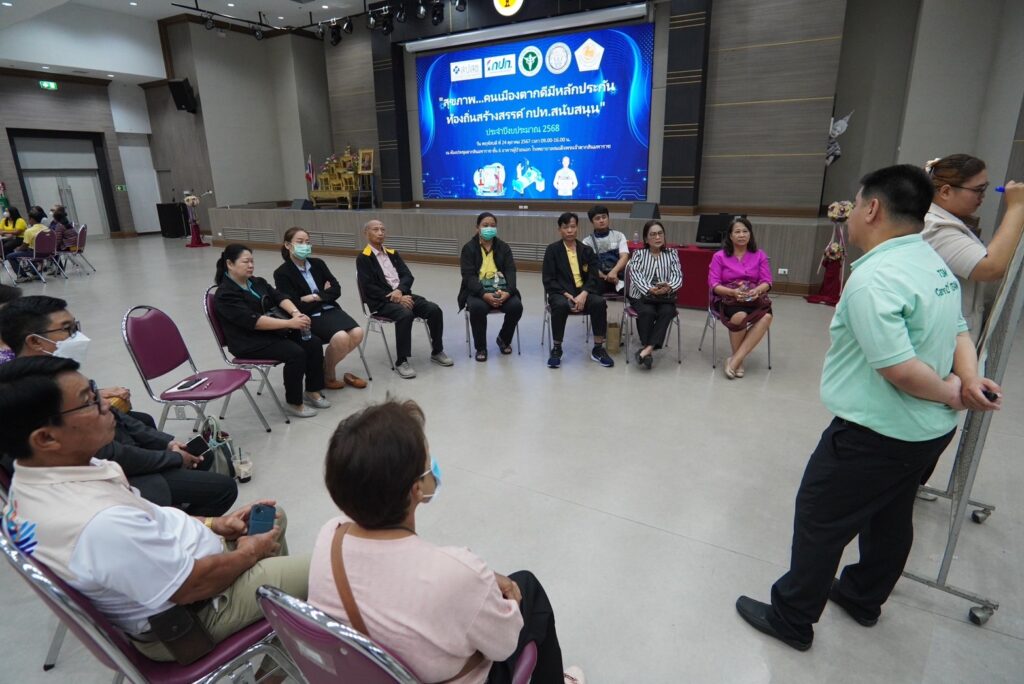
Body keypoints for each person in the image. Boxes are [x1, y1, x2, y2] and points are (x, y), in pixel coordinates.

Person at [735, 165, 1002, 651]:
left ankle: (792, 618)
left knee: (819, 519)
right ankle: (862, 596)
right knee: (890, 515)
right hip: (927, 432)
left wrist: (956, 391)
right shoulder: (929, 259)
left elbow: (899, 368)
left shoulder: (875, 278)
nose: (854, 212)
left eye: (857, 204)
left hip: (876, 433)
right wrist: (967, 379)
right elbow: (960, 329)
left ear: (873, 208)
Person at [0, 356, 308, 663]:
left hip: (187, 574)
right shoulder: (99, 522)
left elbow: (153, 516)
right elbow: (191, 586)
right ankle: (281, 632)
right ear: (46, 437)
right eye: (89, 401)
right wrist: (249, 552)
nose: (108, 405)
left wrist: (215, 524)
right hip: (195, 614)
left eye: (95, 391)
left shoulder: (37, 478)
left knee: (272, 518)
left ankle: (279, 646)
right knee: (328, 570)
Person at [308, 399, 585, 684]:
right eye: (427, 463)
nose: (432, 468)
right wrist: (493, 595)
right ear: (417, 489)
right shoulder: (460, 573)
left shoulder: (330, 537)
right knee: (528, 587)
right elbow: (505, 646)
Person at [0, 295, 238, 516]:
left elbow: (113, 413)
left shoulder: (58, 371)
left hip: (119, 456)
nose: (77, 337)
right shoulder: (30, 393)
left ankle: (177, 514)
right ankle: (171, 523)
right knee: (223, 488)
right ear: (34, 341)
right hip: (110, 474)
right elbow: (108, 453)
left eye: (76, 327)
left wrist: (166, 443)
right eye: (67, 329)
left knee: (195, 453)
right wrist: (172, 457)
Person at [213, 244, 328, 418]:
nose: (251, 265)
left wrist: (296, 314)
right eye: (246, 262)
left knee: (313, 342)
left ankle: (312, 390)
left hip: (271, 332)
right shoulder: (225, 294)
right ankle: (294, 402)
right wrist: (290, 323)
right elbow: (254, 322)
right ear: (230, 264)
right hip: (248, 341)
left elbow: (279, 297)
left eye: (252, 261)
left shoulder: (256, 282)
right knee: (295, 353)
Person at [920, 154, 1024, 342]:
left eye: (985, 188)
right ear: (945, 191)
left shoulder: (943, 219)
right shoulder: (934, 227)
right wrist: (1017, 207)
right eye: (978, 190)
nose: (983, 196)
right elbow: (990, 268)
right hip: (941, 339)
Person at [355, 219, 454, 379]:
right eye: (375, 229)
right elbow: (369, 287)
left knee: (434, 310)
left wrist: (400, 291)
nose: (380, 233)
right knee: (405, 314)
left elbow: (407, 275)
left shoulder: (393, 253)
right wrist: (394, 297)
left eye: (383, 229)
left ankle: (437, 351)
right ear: (366, 233)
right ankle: (401, 361)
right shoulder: (363, 258)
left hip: (403, 295)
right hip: (382, 302)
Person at [273, 227, 367, 390]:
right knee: (341, 338)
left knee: (357, 333)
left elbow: (336, 289)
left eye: (307, 242)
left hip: (330, 309)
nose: (305, 245)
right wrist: (324, 294)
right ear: (288, 245)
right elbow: (295, 303)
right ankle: (329, 374)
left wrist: (313, 296)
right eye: (300, 242)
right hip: (309, 315)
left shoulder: (318, 264)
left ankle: (323, 368)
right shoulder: (282, 273)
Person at [542, 212, 614, 369]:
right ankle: (557, 348)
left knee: (599, 302)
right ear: (559, 230)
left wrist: (583, 294)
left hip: (584, 292)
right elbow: (548, 279)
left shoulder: (586, 250)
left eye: (573, 226)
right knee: (560, 305)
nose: (569, 230)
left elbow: (594, 277)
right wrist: (567, 294)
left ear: (577, 228)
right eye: (565, 227)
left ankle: (598, 348)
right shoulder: (552, 250)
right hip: (561, 293)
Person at [708, 217, 773, 379]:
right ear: (730, 236)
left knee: (766, 317)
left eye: (745, 231)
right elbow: (714, 284)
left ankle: (735, 360)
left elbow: (767, 281)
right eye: (737, 232)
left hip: (754, 298)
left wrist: (757, 290)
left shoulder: (759, 255)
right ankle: (738, 361)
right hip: (728, 299)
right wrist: (733, 292)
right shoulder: (719, 256)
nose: (742, 235)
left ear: (750, 234)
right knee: (739, 316)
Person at [458, 212, 523, 361]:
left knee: (516, 307)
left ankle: (503, 339)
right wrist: (483, 294)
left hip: (502, 289)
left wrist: (508, 292)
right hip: (478, 291)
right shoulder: (468, 248)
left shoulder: (504, 247)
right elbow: (468, 276)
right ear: (477, 228)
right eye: (485, 225)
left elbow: (511, 271)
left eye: (492, 226)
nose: (489, 228)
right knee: (477, 308)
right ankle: (481, 347)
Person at [625, 220, 682, 369]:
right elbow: (635, 275)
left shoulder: (672, 254)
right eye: (653, 234)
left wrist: (668, 287)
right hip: (641, 295)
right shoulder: (639, 254)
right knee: (647, 312)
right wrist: (649, 289)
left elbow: (678, 276)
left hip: (665, 296)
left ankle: (647, 350)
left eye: (660, 233)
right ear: (646, 239)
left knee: (667, 311)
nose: (657, 237)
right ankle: (648, 350)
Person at [581, 205, 629, 295]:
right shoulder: (586, 242)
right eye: (597, 218)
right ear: (592, 222)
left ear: (608, 218)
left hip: (618, 275)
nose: (601, 220)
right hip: (599, 278)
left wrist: (614, 272)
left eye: (604, 217)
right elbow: (589, 265)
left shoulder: (619, 236)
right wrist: (606, 277)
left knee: (633, 292)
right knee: (592, 294)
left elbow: (624, 257)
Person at [7, 206, 51, 282]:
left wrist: (18, 249)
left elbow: (24, 246)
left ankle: (22, 276)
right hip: (48, 253)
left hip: (36, 254)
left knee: (10, 256)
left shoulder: (29, 231)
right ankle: (35, 273)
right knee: (29, 251)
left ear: (32, 219)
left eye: (29, 218)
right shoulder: (46, 228)